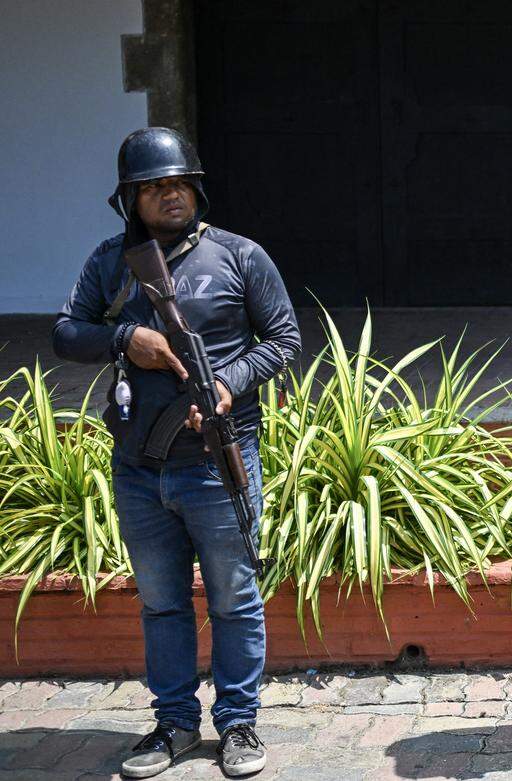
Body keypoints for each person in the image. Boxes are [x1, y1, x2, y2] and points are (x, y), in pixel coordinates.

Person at [53, 127, 301, 778]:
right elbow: (65, 332)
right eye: (153, 186)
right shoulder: (112, 261)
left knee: (234, 597)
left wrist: (225, 384)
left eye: (179, 183)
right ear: (129, 198)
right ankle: (175, 724)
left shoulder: (240, 257)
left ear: (197, 189)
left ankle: (239, 722)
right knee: (161, 601)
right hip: (139, 465)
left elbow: (283, 339)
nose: (169, 194)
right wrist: (126, 337)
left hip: (218, 458)